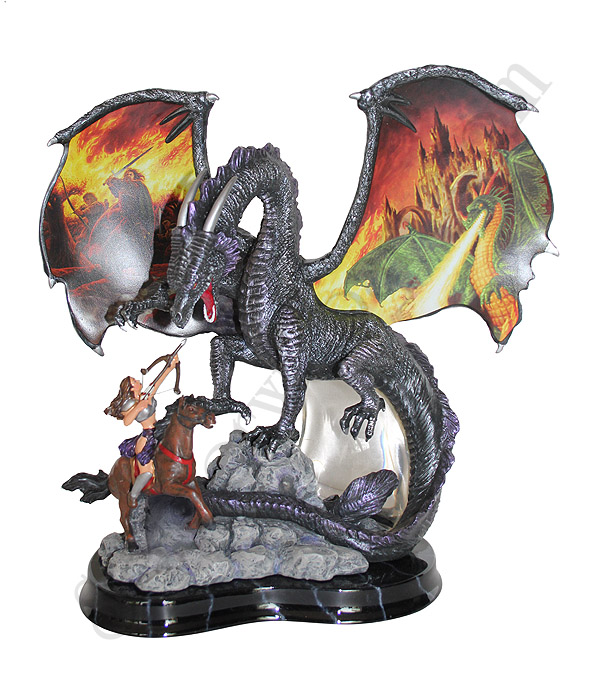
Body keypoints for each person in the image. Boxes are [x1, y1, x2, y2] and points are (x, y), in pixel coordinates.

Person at [105, 354, 179, 505]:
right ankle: (133, 496)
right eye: (135, 381)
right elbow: (126, 421)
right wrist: (138, 407)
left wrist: (171, 366)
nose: (138, 381)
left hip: (160, 431)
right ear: (131, 388)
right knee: (147, 472)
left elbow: (157, 381)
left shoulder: (146, 395)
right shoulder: (130, 404)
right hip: (147, 436)